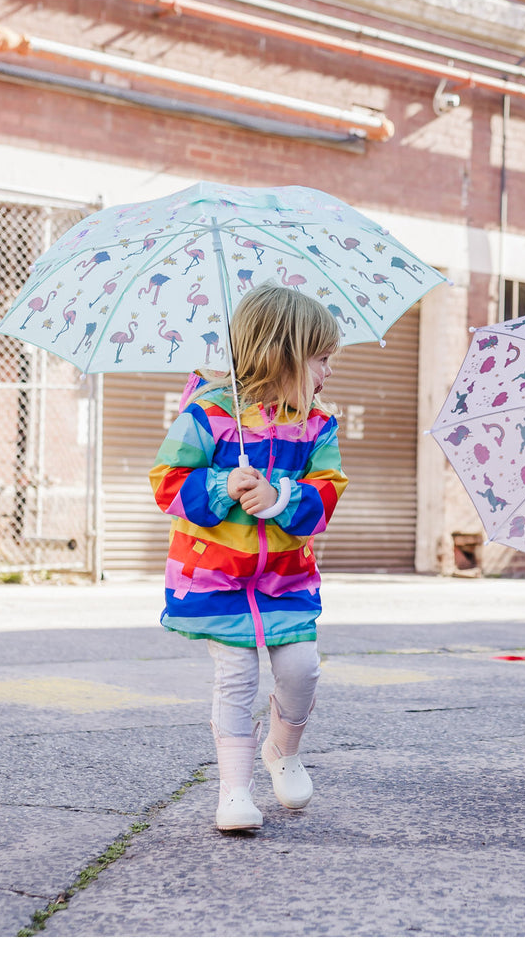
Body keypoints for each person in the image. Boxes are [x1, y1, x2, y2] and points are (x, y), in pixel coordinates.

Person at [150, 280, 348, 832]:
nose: (328, 371)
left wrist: (280, 497)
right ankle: (234, 791)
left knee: (301, 670)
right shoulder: (208, 414)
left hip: (285, 577)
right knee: (236, 677)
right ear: (282, 353)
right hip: (217, 577)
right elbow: (167, 483)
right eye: (320, 359)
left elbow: (328, 490)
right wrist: (221, 485)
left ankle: (283, 749)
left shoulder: (316, 425)